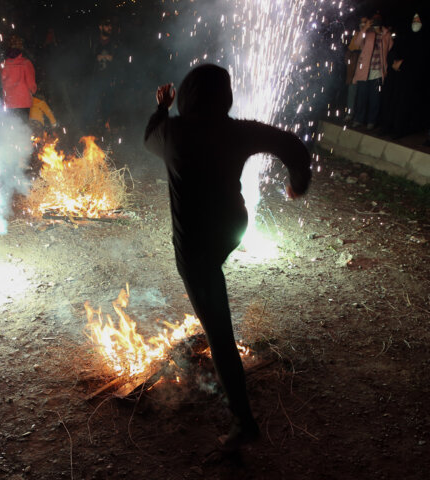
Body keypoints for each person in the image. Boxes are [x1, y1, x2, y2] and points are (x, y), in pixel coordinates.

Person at [144, 64, 311, 450]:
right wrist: (297, 183)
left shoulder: (171, 133)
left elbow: (148, 135)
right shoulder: (237, 130)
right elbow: (291, 145)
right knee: (211, 278)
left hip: (196, 247)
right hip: (232, 229)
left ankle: (243, 423)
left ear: (185, 95)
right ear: (225, 96)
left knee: (219, 332)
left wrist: (162, 108)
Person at [351, 14, 393, 129]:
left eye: (378, 19)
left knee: (375, 99)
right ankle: (359, 119)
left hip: (378, 71)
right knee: (361, 97)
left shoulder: (385, 35)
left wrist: (384, 32)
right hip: (364, 71)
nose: (376, 20)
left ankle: (371, 121)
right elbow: (357, 43)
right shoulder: (367, 33)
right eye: (374, 18)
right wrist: (365, 28)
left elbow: (389, 47)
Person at [0, 37, 37, 121]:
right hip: (23, 101)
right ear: (21, 47)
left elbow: (2, 82)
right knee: (23, 128)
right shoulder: (26, 63)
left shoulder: (3, 64)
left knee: (11, 127)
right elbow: (31, 83)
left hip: (9, 102)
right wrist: (33, 91)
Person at [343, 17, 368, 123]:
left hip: (364, 68)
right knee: (352, 91)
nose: (362, 24)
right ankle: (350, 113)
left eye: (365, 22)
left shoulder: (370, 35)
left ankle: (359, 116)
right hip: (354, 68)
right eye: (361, 22)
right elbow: (353, 47)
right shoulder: (358, 34)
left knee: (361, 94)